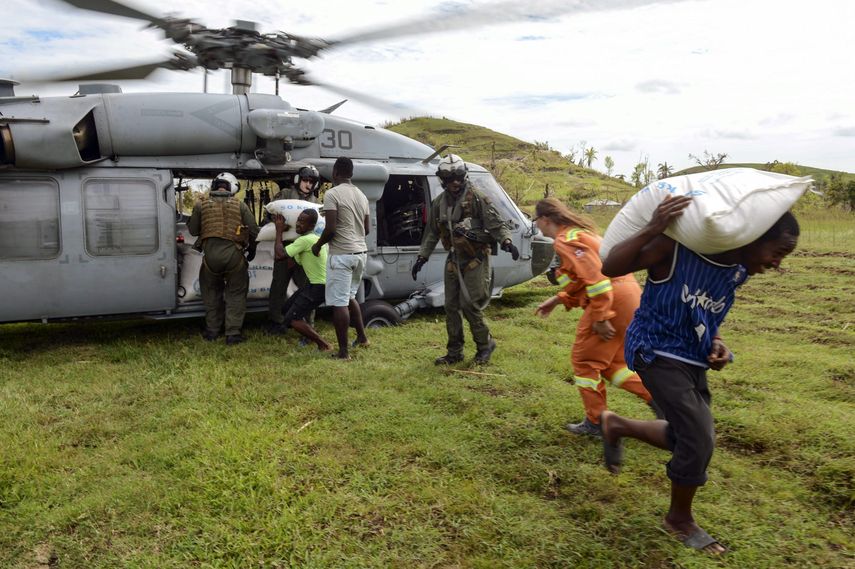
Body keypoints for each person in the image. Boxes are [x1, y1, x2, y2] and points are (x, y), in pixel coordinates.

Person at [599, 195, 800, 555]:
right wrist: (653, 227)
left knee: (684, 437)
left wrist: (718, 341)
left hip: (692, 357)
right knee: (699, 436)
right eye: (777, 252)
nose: (776, 263)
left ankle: (616, 425)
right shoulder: (676, 248)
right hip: (654, 348)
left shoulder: (737, 271)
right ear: (753, 234)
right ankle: (679, 519)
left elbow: (712, 313)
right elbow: (611, 267)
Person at [532, 198, 662, 437]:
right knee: (615, 365)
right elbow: (581, 279)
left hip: (612, 299)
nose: (536, 226)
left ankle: (596, 422)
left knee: (585, 362)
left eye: (535, 220)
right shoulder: (579, 233)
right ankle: (661, 401)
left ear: (545, 219)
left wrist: (601, 317)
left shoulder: (566, 241)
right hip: (629, 295)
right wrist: (559, 298)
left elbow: (597, 280)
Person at [412, 154, 520, 365]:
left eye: (458, 177)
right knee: (451, 307)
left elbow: (496, 224)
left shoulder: (478, 197)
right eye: (449, 177)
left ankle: (485, 345)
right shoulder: (439, 203)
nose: (455, 182)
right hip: (454, 259)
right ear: (442, 178)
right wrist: (421, 257)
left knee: (470, 304)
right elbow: (432, 233)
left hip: (476, 259)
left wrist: (507, 243)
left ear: (464, 176)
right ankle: (454, 352)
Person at [188, 172, 259, 345]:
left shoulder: (201, 205)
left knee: (211, 293)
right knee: (235, 294)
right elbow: (254, 231)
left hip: (210, 259)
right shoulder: (240, 205)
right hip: (234, 256)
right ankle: (233, 333)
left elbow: (193, 231)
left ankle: (212, 331)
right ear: (231, 189)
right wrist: (252, 249)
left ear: (213, 188)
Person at [311, 157, 370, 360]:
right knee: (349, 296)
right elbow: (367, 228)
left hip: (342, 255)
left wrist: (317, 246)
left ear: (335, 172)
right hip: (361, 254)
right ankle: (362, 337)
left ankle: (343, 352)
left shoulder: (332, 194)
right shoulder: (362, 195)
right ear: (351, 174)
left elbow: (331, 229)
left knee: (339, 303)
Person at [267, 165, 321, 333]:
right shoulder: (285, 195)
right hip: (286, 249)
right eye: (305, 180)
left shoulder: (316, 203)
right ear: (298, 180)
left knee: (308, 288)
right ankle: (277, 322)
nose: (308, 185)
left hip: (305, 252)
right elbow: (269, 214)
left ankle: (307, 324)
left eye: (312, 182)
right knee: (278, 286)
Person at [273, 208, 331, 351]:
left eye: (302, 222)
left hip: (318, 286)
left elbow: (279, 255)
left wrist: (279, 230)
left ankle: (323, 344)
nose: (298, 224)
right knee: (287, 309)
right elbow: (295, 261)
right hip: (316, 284)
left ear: (311, 226)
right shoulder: (313, 239)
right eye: (298, 220)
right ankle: (309, 334)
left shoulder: (305, 240)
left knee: (292, 319)